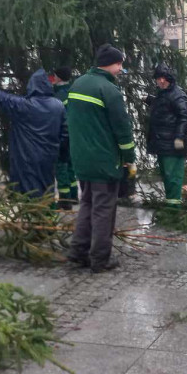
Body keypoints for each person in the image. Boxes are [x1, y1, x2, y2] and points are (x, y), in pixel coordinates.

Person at [66, 44, 134, 273]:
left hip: (82, 160)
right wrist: (129, 158)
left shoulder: (78, 84)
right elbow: (122, 129)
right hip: (104, 162)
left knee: (87, 204)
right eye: (119, 64)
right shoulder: (108, 90)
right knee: (104, 210)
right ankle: (100, 259)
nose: (121, 69)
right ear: (112, 64)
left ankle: (78, 252)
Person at [0, 69, 67, 196]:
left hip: (26, 158)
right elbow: (65, 133)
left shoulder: (22, 105)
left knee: (29, 192)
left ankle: (33, 213)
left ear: (32, 85)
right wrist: (58, 151)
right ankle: (47, 212)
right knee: (47, 187)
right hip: (48, 156)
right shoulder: (58, 106)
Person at [146, 63, 187, 207]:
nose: (161, 81)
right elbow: (164, 107)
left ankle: (174, 210)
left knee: (173, 178)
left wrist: (179, 137)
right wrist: (150, 101)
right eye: (158, 78)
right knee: (167, 176)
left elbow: (184, 117)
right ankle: (170, 206)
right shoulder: (163, 94)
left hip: (172, 144)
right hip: (162, 144)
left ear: (169, 78)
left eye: (163, 78)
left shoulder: (178, 95)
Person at [50, 67, 78, 207]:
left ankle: (65, 200)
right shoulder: (72, 91)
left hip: (62, 136)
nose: (53, 78)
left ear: (59, 78)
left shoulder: (59, 95)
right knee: (70, 166)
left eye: (54, 76)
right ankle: (73, 196)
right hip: (73, 135)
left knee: (61, 168)